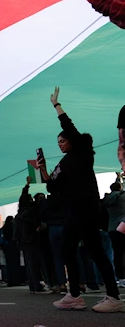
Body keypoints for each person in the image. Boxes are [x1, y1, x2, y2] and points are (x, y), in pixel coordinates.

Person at [39, 87, 124, 312]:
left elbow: (69, 126)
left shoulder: (82, 154)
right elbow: (52, 186)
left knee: (95, 251)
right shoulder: (63, 163)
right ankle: (75, 295)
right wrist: (44, 170)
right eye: (57, 141)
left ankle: (114, 297)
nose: (60, 143)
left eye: (63, 140)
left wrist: (57, 106)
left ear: (72, 141)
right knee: (67, 249)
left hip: (86, 209)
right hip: (72, 211)